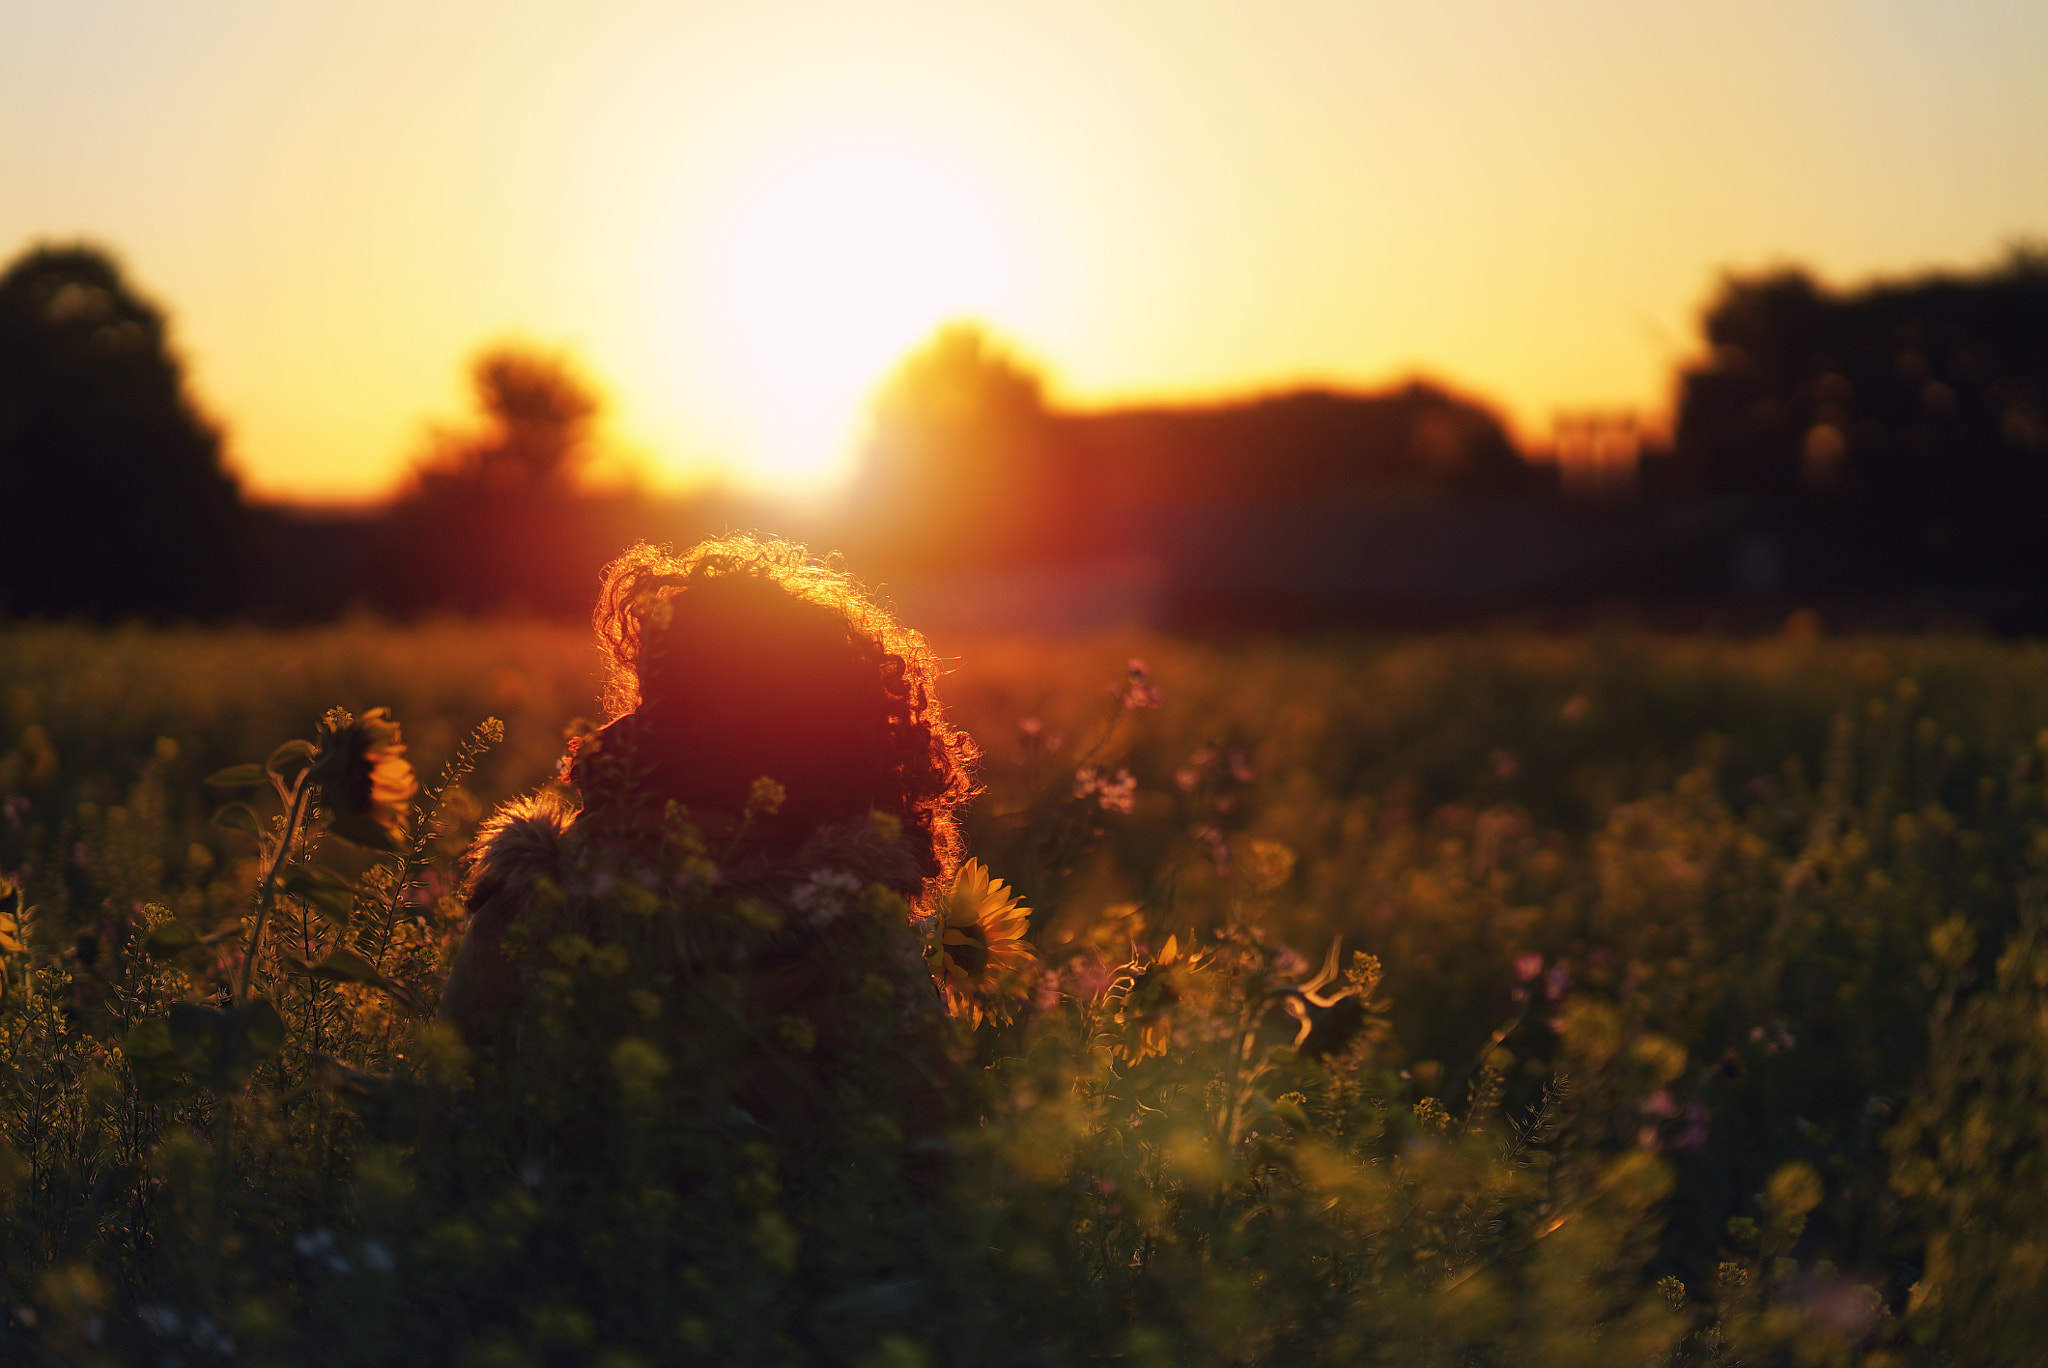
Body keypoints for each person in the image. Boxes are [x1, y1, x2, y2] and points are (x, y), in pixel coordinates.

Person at [434, 535, 980, 1158]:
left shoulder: (532, 890)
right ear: (836, 733)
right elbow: (935, 1162)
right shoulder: (848, 919)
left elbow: (453, 1119)